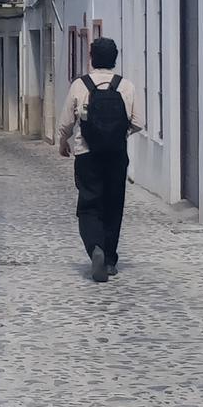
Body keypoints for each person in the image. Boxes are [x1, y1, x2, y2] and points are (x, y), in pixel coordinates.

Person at [58, 37, 142, 282]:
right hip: (116, 155)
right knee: (114, 205)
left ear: (92, 58)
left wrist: (63, 142)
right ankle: (110, 261)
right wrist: (118, 133)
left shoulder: (80, 85)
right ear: (115, 58)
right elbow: (138, 122)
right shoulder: (126, 86)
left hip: (87, 154)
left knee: (88, 204)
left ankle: (96, 247)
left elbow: (66, 122)